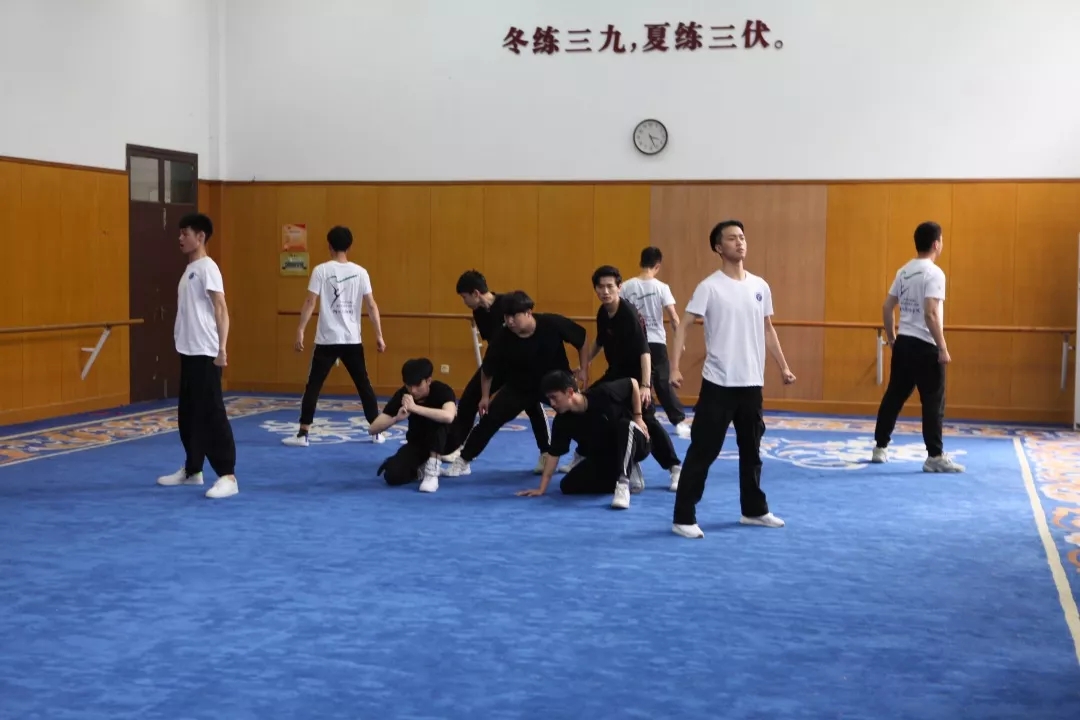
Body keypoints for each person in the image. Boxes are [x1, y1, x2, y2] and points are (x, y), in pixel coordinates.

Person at [669, 220, 795, 538]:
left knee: (751, 451)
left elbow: (768, 329)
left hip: (751, 383)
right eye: (731, 238)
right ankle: (683, 517)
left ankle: (753, 510)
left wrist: (783, 366)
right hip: (718, 384)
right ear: (718, 247)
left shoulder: (760, 286)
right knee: (703, 451)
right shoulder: (709, 287)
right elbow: (684, 324)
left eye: (742, 237)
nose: (739, 242)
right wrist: (674, 366)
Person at [444, 291, 588, 478]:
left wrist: (584, 369)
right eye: (506, 317)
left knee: (579, 415)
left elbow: (582, 339)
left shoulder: (551, 323)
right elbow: (487, 370)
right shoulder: (503, 335)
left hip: (556, 383)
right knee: (490, 419)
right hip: (520, 386)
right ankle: (463, 461)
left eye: (514, 316)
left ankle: (585, 454)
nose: (510, 321)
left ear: (528, 312)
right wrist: (485, 396)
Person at [155, 213, 239, 499]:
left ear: (200, 237)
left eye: (185, 233)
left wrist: (222, 348)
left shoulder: (207, 268)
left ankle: (228, 476)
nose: (180, 238)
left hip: (206, 352)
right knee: (189, 414)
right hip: (189, 351)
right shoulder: (189, 270)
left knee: (212, 413)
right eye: (179, 233)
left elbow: (221, 308)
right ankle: (193, 470)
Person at [870, 222, 964, 473]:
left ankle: (880, 447)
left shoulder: (903, 271)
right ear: (936, 244)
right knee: (933, 402)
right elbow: (931, 313)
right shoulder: (934, 273)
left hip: (904, 343)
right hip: (926, 346)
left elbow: (887, 307)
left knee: (894, 397)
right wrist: (942, 347)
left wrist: (892, 338)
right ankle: (934, 456)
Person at [283, 226, 386, 447]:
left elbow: (310, 301)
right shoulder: (361, 272)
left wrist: (301, 329)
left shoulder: (321, 270)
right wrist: (379, 335)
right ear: (350, 246)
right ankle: (376, 431)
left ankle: (303, 434)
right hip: (352, 340)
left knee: (314, 386)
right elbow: (371, 305)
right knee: (363, 385)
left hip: (327, 340)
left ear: (329, 246)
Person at [584, 265, 682, 492]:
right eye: (601, 287)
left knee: (647, 420)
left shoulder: (628, 314)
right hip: (616, 374)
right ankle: (596, 455)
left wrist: (646, 385)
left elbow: (644, 351)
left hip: (637, 377)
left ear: (619, 287)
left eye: (610, 286)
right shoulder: (603, 312)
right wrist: (584, 365)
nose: (605, 291)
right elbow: (599, 341)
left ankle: (675, 467)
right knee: (590, 402)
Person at [444, 270, 552, 473]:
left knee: (532, 405)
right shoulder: (479, 312)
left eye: (464, 297)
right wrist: (487, 386)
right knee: (469, 398)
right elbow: (494, 345)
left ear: (476, 293)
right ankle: (455, 446)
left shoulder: (508, 304)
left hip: (521, 367)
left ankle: (546, 452)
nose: (464, 302)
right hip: (498, 365)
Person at [518, 371, 650, 510]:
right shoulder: (562, 421)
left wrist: (638, 417)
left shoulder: (603, 393)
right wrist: (541, 488)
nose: (551, 403)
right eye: (549, 399)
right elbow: (553, 454)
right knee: (567, 486)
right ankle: (623, 476)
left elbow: (632, 383)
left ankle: (624, 482)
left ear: (569, 392)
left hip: (636, 442)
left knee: (625, 425)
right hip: (607, 455)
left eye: (554, 397)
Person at [620, 247, 690, 438]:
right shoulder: (661, 287)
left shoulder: (626, 286)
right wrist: (680, 340)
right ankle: (678, 421)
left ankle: (633, 417)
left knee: (637, 381)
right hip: (656, 341)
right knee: (662, 382)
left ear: (640, 262)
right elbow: (674, 317)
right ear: (657, 265)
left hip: (634, 341)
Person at [373, 358, 458, 493]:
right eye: (409, 385)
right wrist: (396, 419)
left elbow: (448, 416)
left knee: (437, 419)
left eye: (418, 385)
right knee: (392, 475)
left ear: (428, 381)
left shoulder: (442, 390)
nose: (413, 390)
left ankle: (432, 471)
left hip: (447, 441)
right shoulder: (403, 395)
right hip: (419, 443)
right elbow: (372, 429)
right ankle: (420, 471)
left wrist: (415, 408)